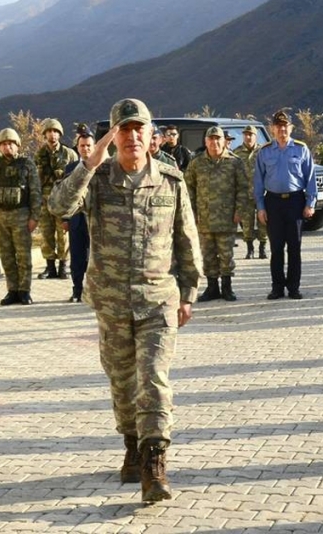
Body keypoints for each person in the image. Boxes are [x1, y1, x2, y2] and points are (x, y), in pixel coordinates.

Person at [48, 98, 201, 503]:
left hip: (157, 301)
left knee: (152, 379)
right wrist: (89, 163)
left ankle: (154, 462)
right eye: (124, 130)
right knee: (121, 382)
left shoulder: (171, 180)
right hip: (111, 301)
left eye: (139, 130)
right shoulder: (95, 179)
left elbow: (187, 240)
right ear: (113, 137)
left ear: (151, 136)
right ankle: (132, 444)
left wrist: (188, 293)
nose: (132, 137)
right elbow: (58, 206)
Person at [254, 109, 317, 300]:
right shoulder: (264, 152)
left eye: (285, 126)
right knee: (276, 248)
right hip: (273, 202)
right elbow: (258, 181)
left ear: (291, 128)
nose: (282, 130)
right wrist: (261, 207)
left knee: (294, 247)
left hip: (295, 202)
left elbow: (310, 178)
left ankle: (294, 287)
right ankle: (277, 287)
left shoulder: (301, 149)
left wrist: (310, 203)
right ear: (272, 129)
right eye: (278, 126)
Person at [184, 126, 250, 302]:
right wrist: (192, 211)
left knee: (226, 255)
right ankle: (212, 288)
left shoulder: (234, 162)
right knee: (208, 255)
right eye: (211, 139)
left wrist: (239, 210)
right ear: (206, 142)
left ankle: (227, 288)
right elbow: (188, 187)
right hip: (204, 218)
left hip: (227, 218)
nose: (214, 142)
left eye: (218, 139)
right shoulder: (196, 163)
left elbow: (243, 188)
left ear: (224, 141)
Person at [0, 128, 41, 305]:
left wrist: (34, 217)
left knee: (23, 256)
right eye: (4, 144)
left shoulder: (27, 164)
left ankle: (24, 290)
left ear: (17, 145)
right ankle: (12, 290)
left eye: (11, 144)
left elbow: (35, 192)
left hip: (21, 215)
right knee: (6, 256)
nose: (7, 147)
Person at [34, 118, 78, 280]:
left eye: (55, 132)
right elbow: (34, 179)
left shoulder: (69, 154)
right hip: (44, 200)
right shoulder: (39, 154)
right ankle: (50, 266)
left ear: (59, 134)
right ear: (44, 134)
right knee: (46, 233)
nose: (52, 135)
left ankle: (63, 266)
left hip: (62, 199)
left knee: (63, 234)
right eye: (49, 132)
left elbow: (75, 179)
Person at [61, 127, 95, 303]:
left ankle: (93, 290)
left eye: (89, 145)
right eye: (82, 146)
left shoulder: (101, 167)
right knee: (77, 256)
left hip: (96, 219)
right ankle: (77, 289)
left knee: (95, 257)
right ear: (78, 147)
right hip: (76, 219)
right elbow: (65, 195)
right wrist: (65, 218)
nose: (86, 149)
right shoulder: (71, 168)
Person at [234, 125, 268, 259]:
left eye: (251, 135)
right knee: (247, 223)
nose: (248, 137)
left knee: (263, 221)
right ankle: (250, 248)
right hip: (244, 193)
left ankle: (262, 248)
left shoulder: (263, 151)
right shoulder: (236, 153)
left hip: (261, 192)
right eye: (246, 134)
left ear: (256, 136)